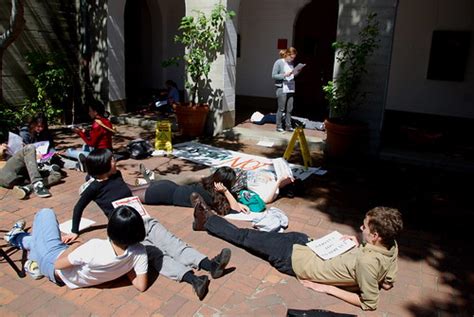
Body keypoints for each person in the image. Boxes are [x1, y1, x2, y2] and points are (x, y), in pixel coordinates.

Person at [67, 149, 232, 300]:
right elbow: (78, 208)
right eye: (111, 159)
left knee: (172, 242)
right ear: (101, 164)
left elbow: (125, 191)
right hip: (125, 230)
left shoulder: (117, 175)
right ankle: (194, 280)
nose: (115, 160)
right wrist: (74, 231)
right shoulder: (93, 188)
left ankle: (210, 265)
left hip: (143, 218)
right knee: (156, 255)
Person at [192, 197, 403, 311]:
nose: (361, 228)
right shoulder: (390, 246)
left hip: (294, 260)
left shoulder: (368, 263)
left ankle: (206, 221)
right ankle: (212, 223)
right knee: (290, 235)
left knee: (246, 237)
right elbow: (387, 283)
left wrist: (326, 288)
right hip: (311, 247)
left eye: (365, 228)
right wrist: (357, 247)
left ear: (375, 235)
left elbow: (369, 303)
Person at [3, 206, 148, 291]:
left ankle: (19, 240)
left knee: (45, 213)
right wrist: (127, 265)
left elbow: (58, 263)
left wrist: (76, 244)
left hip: (53, 264)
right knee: (39, 242)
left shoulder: (94, 246)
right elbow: (141, 285)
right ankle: (22, 241)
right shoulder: (139, 252)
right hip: (66, 268)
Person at [64, 101, 115, 167]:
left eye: (90, 111)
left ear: (95, 112)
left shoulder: (97, 124)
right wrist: (85, 132)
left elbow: (91, 143)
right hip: (109, 151)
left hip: (101, 154)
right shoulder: (106, 121)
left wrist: (79, 132)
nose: (89, 113)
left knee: (70, 151)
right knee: (85, 146)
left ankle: (72, 154)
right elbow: (101, 135)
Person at [272, 47, 302, 132]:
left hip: (290, 87)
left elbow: (292, 75)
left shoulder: (291, 63)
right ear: (287, 55)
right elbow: (274, 75)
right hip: (282, 88)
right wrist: (284, 75)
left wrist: (297, 71)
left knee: (290, 108)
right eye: (291, 57)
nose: (292, 59)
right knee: (281, 108)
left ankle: (288, 126)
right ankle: (279, 126)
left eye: (294, 58)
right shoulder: (279, 62)